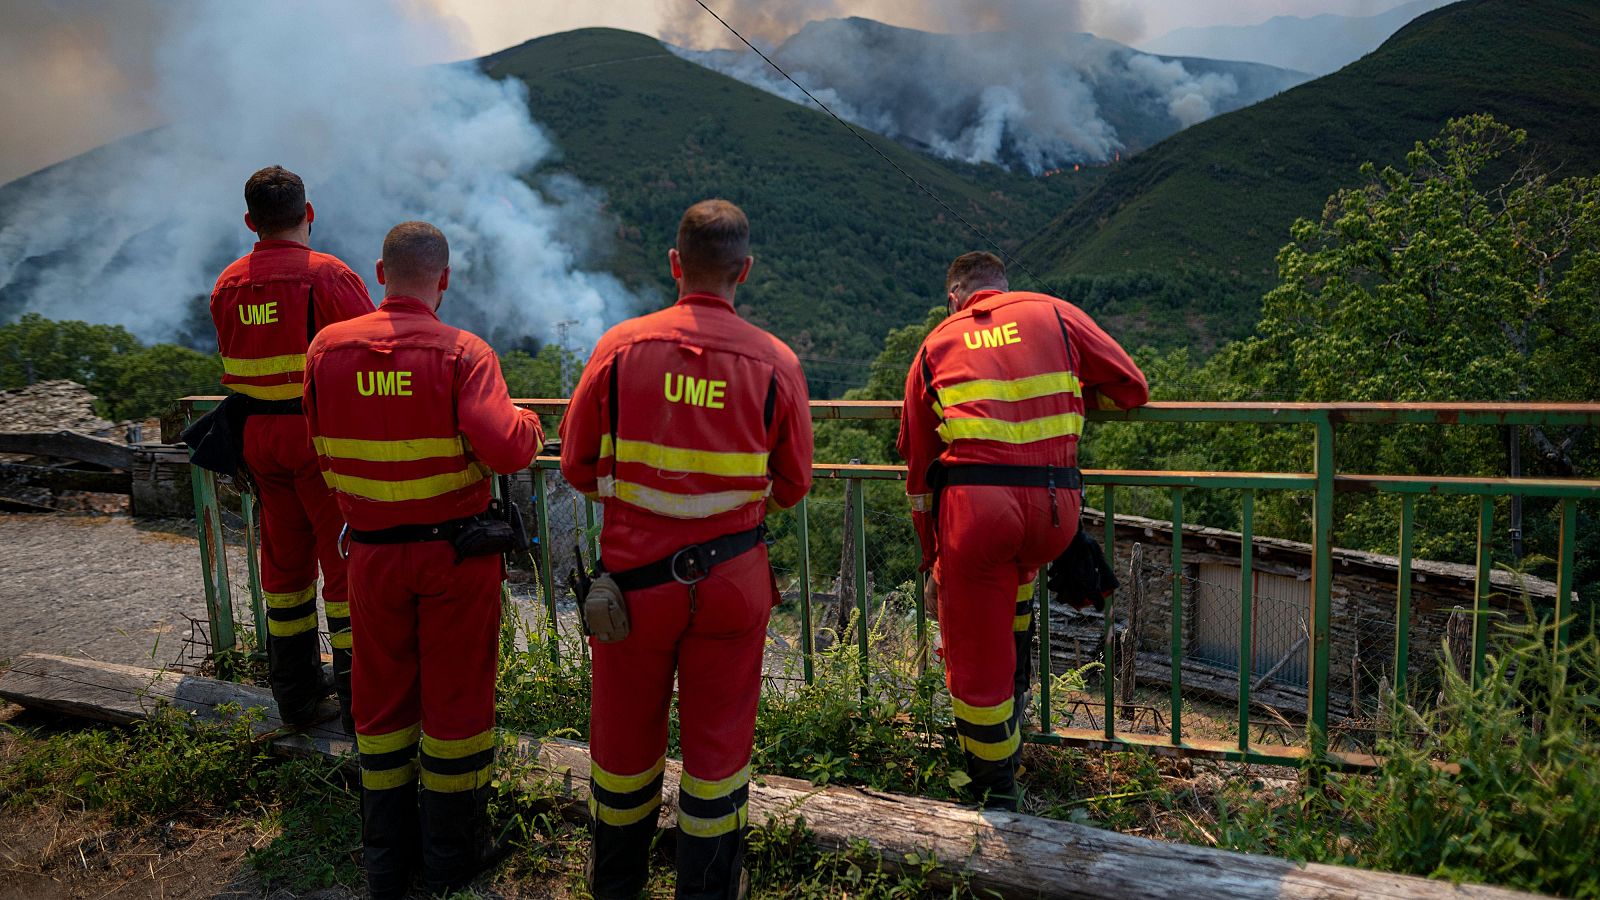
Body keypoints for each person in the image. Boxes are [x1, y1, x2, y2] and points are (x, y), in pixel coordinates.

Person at [561, 199, 813, 899]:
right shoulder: (775, 362)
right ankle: (705, 889)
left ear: (675, 264)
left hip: (634, 588)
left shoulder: (619, 348)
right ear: (746, 270)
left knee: (620, 740)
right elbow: (793, 486)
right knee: (719, 745)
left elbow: (578, 466)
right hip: (733, 582)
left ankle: (616, 884)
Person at [303, 221, 543, 898]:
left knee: (379, 705)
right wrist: (528, 422)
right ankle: (452, 857)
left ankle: (385, 860)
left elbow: (318, 441)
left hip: (371, 557)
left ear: (380, 273)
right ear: (443, 280)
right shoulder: (463, 352)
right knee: (457, 702)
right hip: (454, 559)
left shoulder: (327, 349)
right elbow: (505, 448)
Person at [898, 251, 1147, 810]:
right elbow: (1133, 388)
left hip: (980, 515)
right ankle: (1015, 726)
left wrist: (931, 554)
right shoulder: (1053, 312)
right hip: (1056, 512)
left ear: (955, 296)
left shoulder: (937, 343)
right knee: (1015, 597)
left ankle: (996, 794)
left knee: (974, 660)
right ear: (1004, 287)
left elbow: (918, 464)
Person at [208, 165, 374, 732]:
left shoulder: (228, 284)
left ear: (251, 221)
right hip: (318, 439)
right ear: (308, 213)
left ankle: (297, 698)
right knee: (344, 561)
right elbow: (373, 352)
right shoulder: (328, 276)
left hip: (256, 440)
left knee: (284, 565)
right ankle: (358, 703)